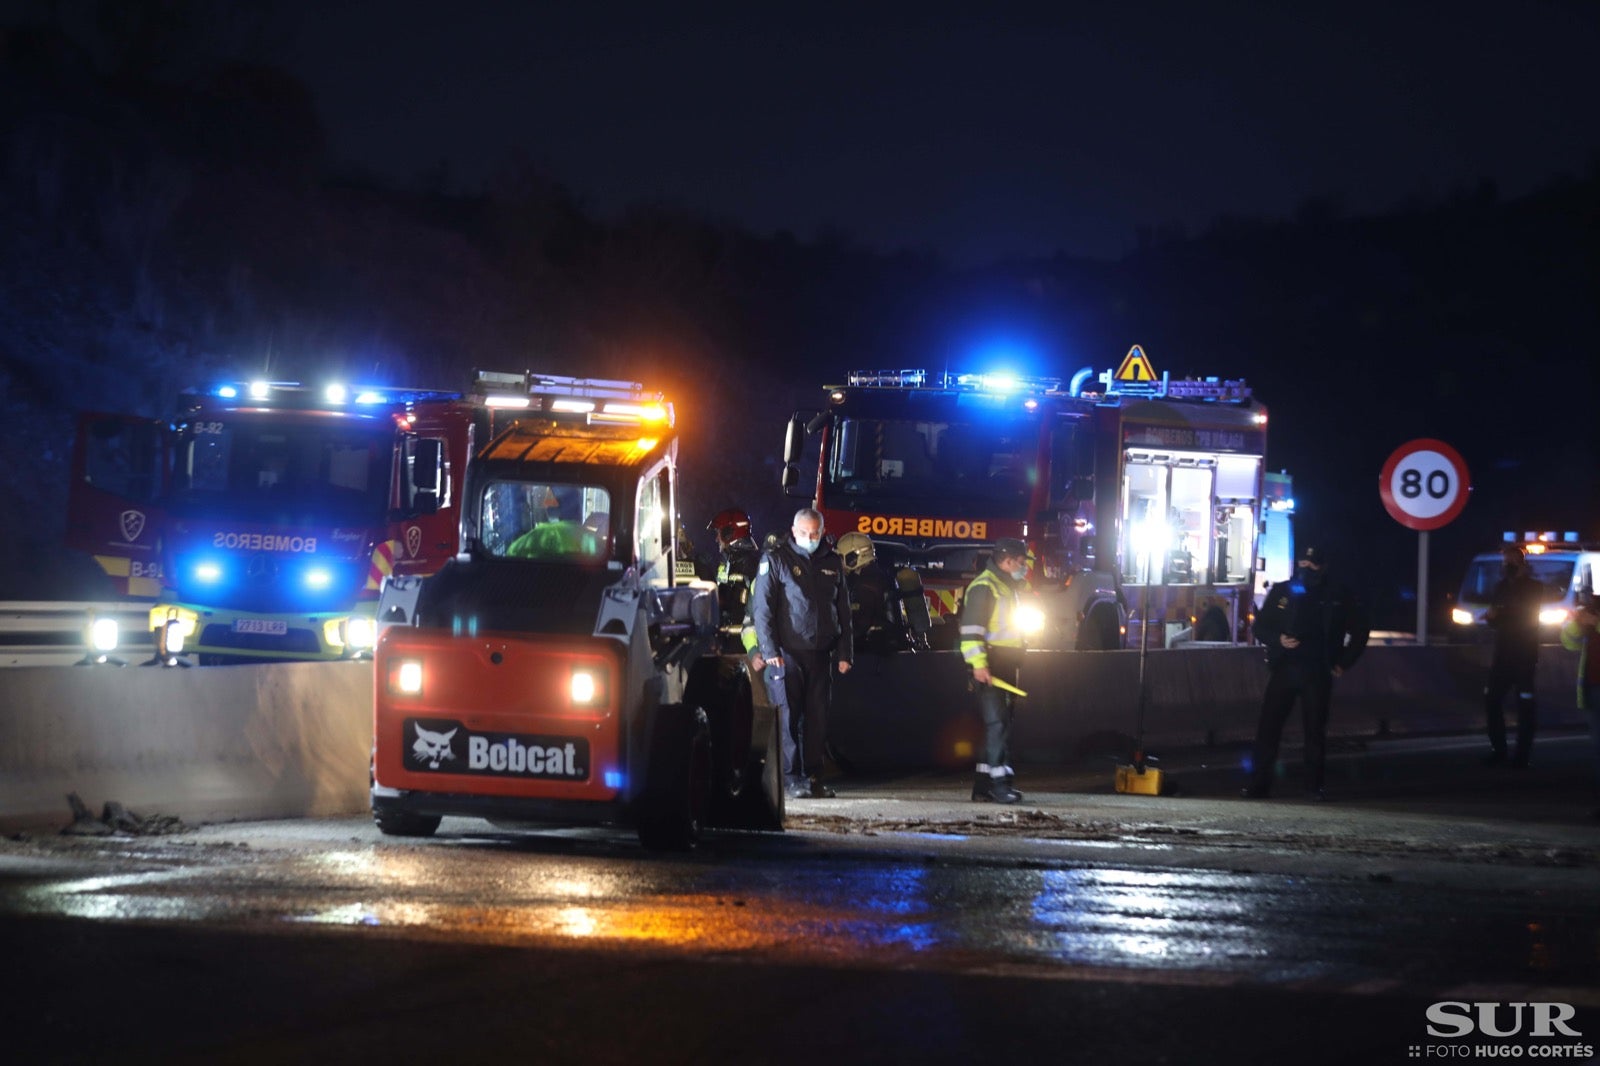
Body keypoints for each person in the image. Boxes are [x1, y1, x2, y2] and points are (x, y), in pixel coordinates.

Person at [1242, 542, 1369, 800]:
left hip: (1318, 672)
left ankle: (1313, 787)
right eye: (1303, 563)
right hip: (1285, 670)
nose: (1307, 568)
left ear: (1323, 567)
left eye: (1313, 564)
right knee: (1268, 729)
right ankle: (1258, 785)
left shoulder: (1337, 595)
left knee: (1314, 732)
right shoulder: (1283, 591)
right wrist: (1279, 639)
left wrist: (1344, 662)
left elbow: (1360, 631)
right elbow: (1260, 628)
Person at [751, 507, 853, 800]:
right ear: (794, 531)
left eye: (816, 533)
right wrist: (770, 650)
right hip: (786, 654)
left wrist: (845, 652)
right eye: (806, 533)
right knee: (787, 718)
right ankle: (790, 778)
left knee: (817, 719)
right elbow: (763, 610)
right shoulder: (776, 559)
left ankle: (813, 776)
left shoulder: (832, 562)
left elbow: (842, 611)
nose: (811, 538)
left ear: (822, 531)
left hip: (821, 654)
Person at [959, 537, 1031, 803]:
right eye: (1021, 562)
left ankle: (983, 786)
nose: (1024, 567)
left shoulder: (1006, 586)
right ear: (1007, 560)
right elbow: (970, 633)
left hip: (1004, 665)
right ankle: (1001, 785)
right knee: (997, 724)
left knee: (996, 726)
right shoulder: (985, 587)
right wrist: (979, 665)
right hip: (991, 667)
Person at [1481, 545, 1545, 767]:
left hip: (1524, 655)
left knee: (1525, 704)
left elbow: (1526, 612)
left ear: (1521, 563)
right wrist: (1491, 617)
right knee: (1491, 699)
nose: (1506, 566)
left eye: (1510, 562)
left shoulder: (1534, 587)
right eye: (1504, 562)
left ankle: (1522, 756)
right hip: (1503, 654)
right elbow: (1496, 617)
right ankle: (1499, 750)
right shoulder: (1500, 587)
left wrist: (1503, 611)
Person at [1558, 598, 1600, 817]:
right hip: (1592, 687)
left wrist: (1596, 621)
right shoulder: (1592, 609)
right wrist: (1577, 621)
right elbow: (1569, 642)